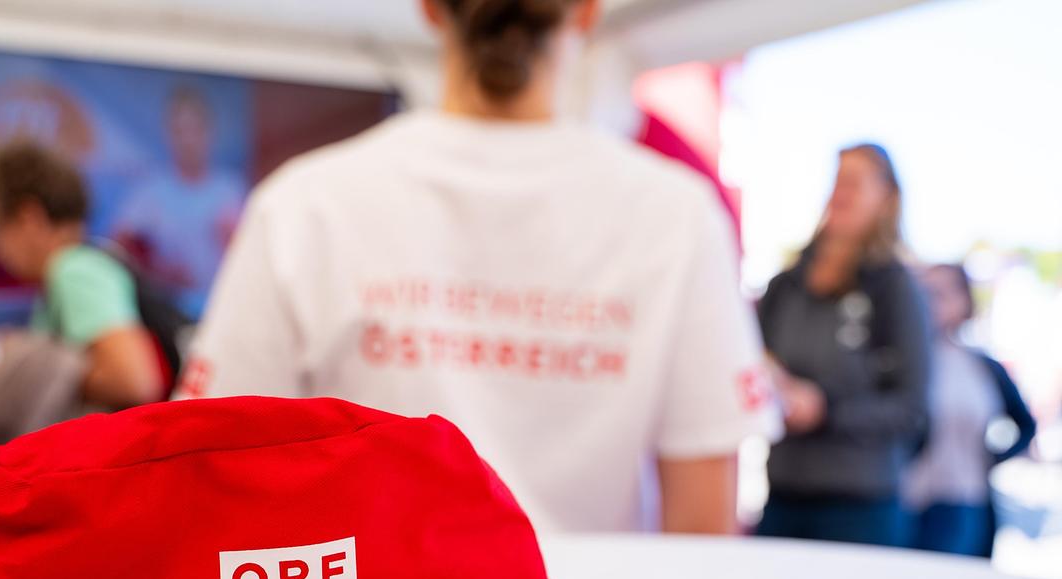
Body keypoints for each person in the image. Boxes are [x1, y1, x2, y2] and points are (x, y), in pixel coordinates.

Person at [177, 0, 781, 534]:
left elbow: (219, 469)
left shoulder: (304, 202)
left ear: (431, 9)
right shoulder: (676, 214)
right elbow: (702, 523)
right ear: (589, 10)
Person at [756, 143, 931, 547]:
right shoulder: (786, 285)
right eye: (837, 181)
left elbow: (911, 409)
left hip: (860, 507)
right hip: (784, 495)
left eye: (854, 182)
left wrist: (825, 411)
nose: (840, 193)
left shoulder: (895, 288)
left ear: (886, 197)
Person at [0, 139, 165, 411]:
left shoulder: (73, 271)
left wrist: (30, 373)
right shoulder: (81, 264)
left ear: (29, 217)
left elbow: (133, 382)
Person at [905, 263, 1036, 557]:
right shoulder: (906, 363)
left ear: (964, 300)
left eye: (940, 293)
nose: (930, 302)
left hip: (964, 498)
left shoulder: (980, 366)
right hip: (907, 498)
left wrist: (990, 458)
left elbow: (1025, 423)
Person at [111, 85, 246, 319]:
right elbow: (118, 248)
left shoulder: (229, 189)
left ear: (209, 132)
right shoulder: (150, 191)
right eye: (180, 131)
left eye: (194, 129)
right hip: (164, 313)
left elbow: (247, 259)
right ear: (169, 134)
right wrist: (158, 271)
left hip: (217, 311)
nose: (188, 140)